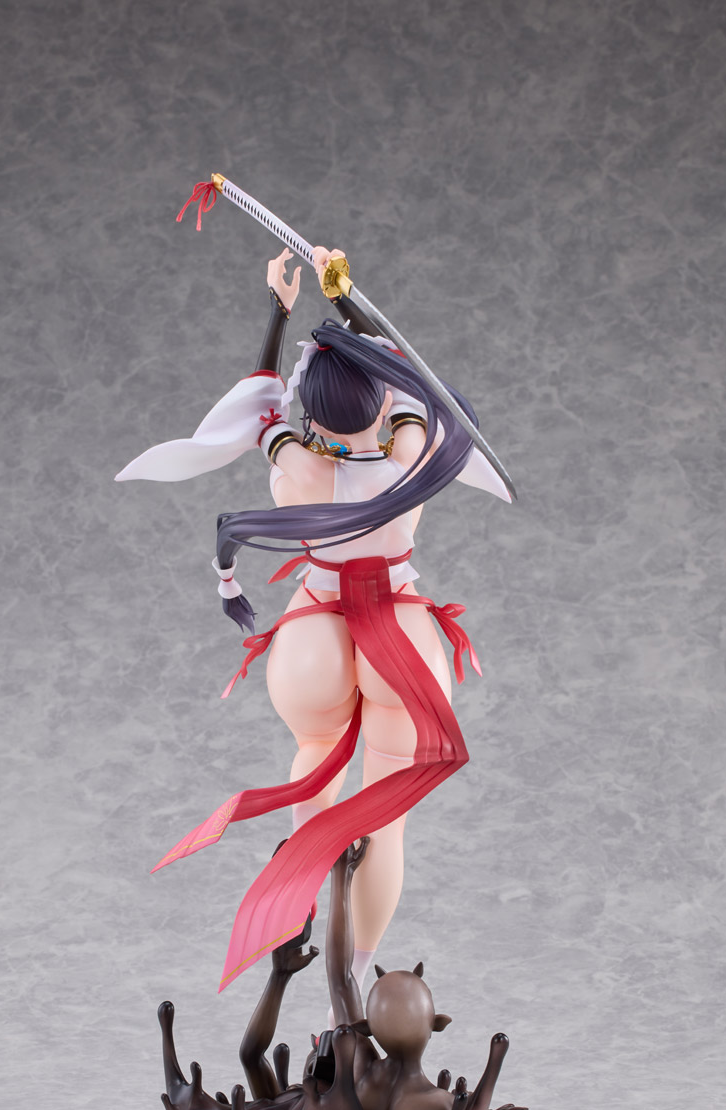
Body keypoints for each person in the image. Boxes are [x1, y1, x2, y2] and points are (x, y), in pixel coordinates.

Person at [116, 246, 512, 996]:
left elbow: (259, 405)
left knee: (312, 766)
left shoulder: (299, 467)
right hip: (400, 631)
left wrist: (279, 309)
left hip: (316, 628)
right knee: (387, 818)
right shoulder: (410, 451)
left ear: (315, 411)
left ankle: (300, 928)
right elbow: (409, 372)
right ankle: (351, 982)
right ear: (379, 402)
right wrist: (347, 299)